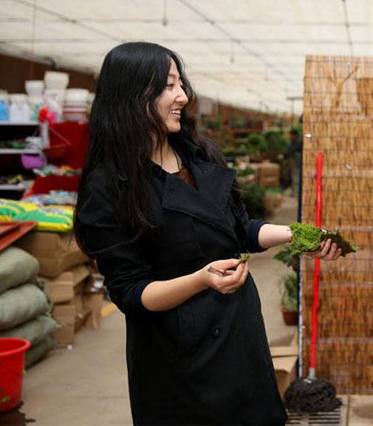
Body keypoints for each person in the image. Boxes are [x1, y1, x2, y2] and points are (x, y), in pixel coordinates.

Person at [74, 42, 340, 425]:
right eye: (168, 86)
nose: (182, 96)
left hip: (239, 337)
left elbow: (237, 229)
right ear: (132, 95)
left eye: (180, 84)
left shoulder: (198, 155)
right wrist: (201, 280)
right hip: (178, 355)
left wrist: (297, 236)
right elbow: (131, 292)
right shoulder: (110, 186)